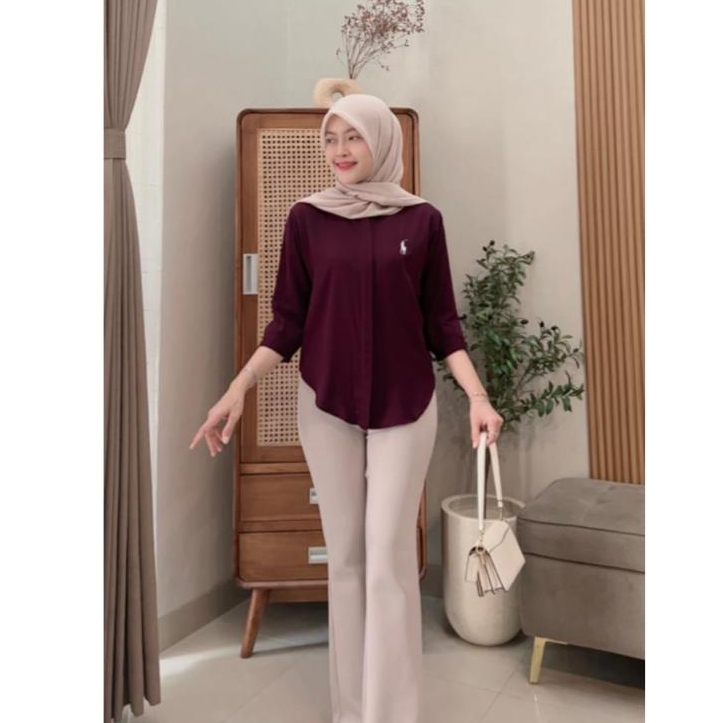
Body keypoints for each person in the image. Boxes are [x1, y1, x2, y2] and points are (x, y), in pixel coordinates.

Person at [190, 93, 503, 723]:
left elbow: (443, 324)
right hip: (325, 404)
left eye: (353, 137)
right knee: (348, 559)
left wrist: (478, 398)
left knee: (388, 557)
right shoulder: (307, 219)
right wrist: (236, 390)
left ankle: (391, 714)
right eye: (330, 139)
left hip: (405, 406)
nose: (339, 151)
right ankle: (351, 711)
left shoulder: (422, 221)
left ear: (382, 140)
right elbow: (287, 322)